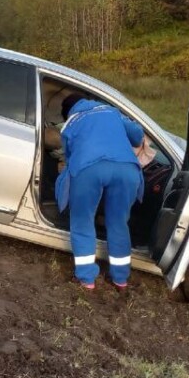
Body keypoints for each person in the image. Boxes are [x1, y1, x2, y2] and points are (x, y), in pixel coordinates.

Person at [54, 94, 145, 291]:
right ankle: (120, 279)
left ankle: (87, 279)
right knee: (119, 222)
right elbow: (137, 136)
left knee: (82, 221)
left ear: (68, 111)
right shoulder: (111, 111)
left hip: (88, 169)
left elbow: (69, 157)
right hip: (126, 169)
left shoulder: (70, 124)